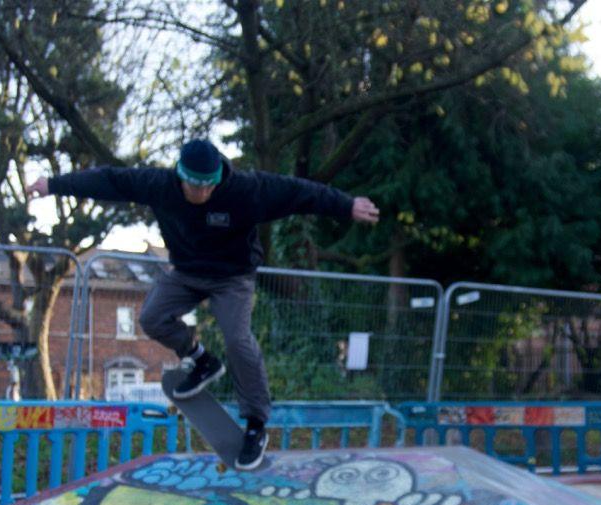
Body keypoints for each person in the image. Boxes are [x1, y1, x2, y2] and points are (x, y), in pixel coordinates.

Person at [26, 139, 379, 469]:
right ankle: (201, 360)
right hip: (187, 272)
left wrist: (346, 205)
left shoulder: (245, 190)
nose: (203, 193)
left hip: (233, 278)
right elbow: (109, 181)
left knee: (238, 339)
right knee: (152, 317)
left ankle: (256, 423)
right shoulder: (157, 185)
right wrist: (53, 185)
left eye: (210, 186)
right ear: (181, 177)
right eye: (196, 187)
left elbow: (299, 192)